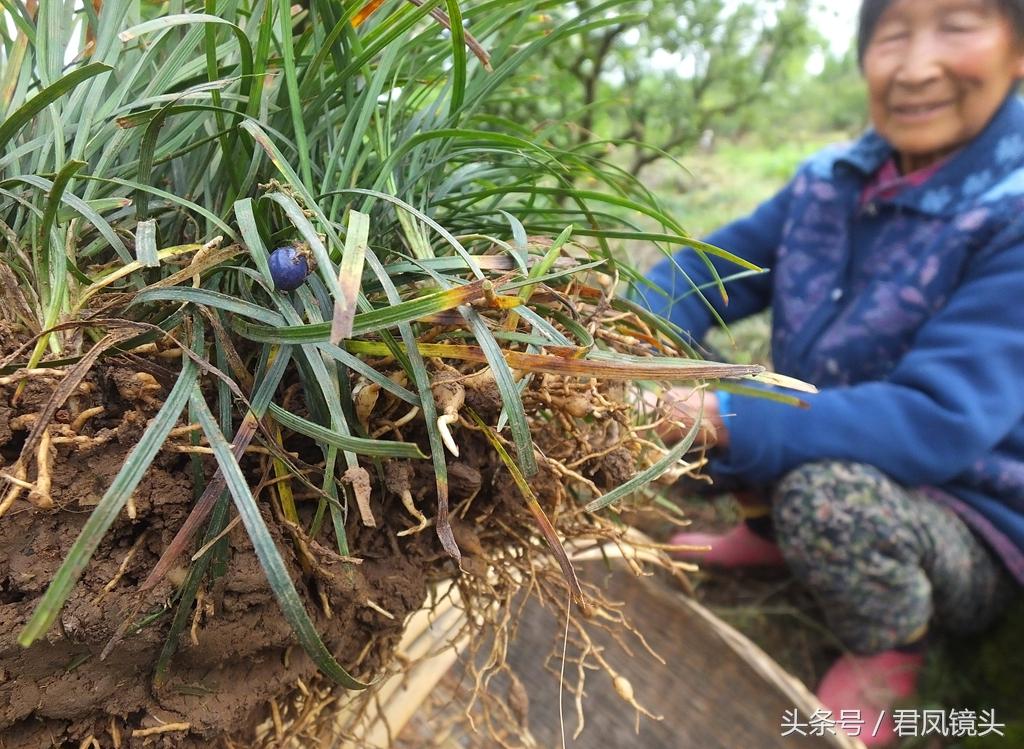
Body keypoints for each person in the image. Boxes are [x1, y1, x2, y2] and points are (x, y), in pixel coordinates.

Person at [637, 1, 1024, 745]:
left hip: (965, 508)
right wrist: (629, 341)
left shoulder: (1011, 217)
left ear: (1017, 51)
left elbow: (935, 420)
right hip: (833, 432)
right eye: (892, 34)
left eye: (957, 25)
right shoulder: (832, 181)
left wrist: (720, 413)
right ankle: (774, 533)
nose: (915, 65)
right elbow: (696, 272)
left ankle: (890, 643)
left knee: (821, 492)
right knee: (694, 412)